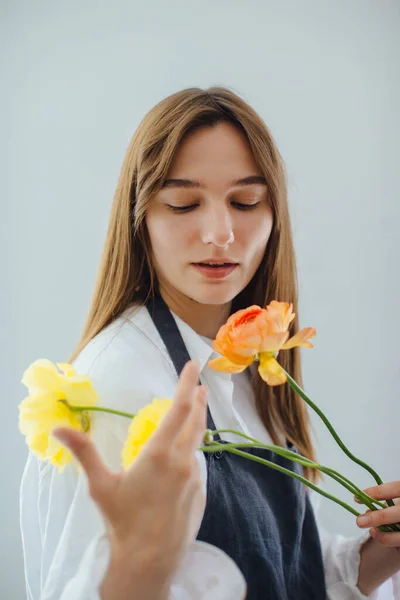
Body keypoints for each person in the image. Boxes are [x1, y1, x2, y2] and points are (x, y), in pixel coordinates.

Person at [20, 87, 400, 600]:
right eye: (182, 203)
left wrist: (381, 552)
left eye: (246, 201)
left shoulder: (246, 364)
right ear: (140, 219)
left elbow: (285, 571)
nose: (220, 233)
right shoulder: (115, 387)